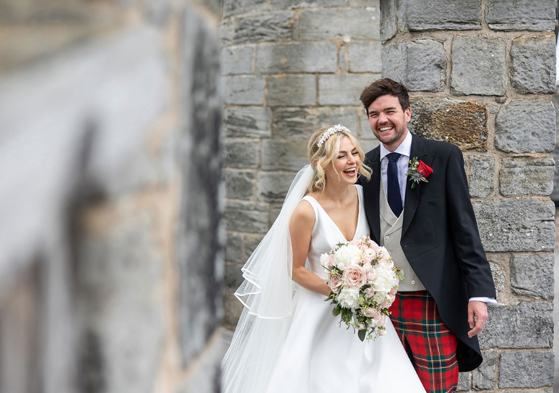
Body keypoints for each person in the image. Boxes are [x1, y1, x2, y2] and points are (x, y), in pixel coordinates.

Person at [222, 125, 426, 393]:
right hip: (319, 312)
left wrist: (372, 286)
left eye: (354, 152)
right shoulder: (306, 211)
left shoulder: (365, 197)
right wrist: (342, 290)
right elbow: (294, 269)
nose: (353, 161)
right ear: (321, 163)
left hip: (365, 311)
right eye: (342, 156)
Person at [358, 78, 497, 393]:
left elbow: (465, 228)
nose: (382, 120)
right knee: (386, 385)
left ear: (407, 113)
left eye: (389, 111)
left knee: (437, 387)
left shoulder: (442, 156)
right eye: (373, 113)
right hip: (383, 304)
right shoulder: (364, 166)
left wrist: (478, 294)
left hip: (430, 299)